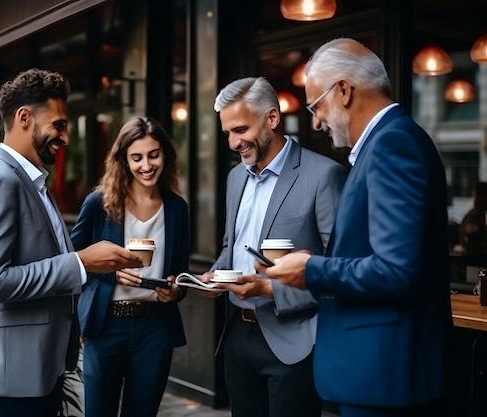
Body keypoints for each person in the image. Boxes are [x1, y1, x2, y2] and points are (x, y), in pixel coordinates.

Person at [263, 38, 453, 417]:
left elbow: (396, 270)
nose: (315, 122)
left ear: (344, 91)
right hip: (385, 374)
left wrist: (311, 270)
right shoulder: (391, 141)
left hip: (386, 378)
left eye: (316, 106)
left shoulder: (391, 145)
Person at [0, 68, 143, 417]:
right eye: (58, 124)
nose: (66, 136)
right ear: (24, 117)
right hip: (15, 381)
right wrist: (81, 262)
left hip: (41, 371)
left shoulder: (32, 181)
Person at [201, 76, 347, 417]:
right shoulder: (235, 177)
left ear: (272, 118)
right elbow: (231, 247)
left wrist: (271, 289)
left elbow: (339, 270)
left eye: (240, 130)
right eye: (227, 134)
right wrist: (214, 275)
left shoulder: (325, 175)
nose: (233, 142)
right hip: (236, 334)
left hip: (295, 343)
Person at [70, 116, 190, 417]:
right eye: (136, 157)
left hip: (155, 328)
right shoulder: (99, 203)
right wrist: (109, 273)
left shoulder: (177, 208)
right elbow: (71, 263)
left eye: (154, 155)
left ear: (165, 155)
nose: (146, 165)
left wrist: (175, 291)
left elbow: (180, 273)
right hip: (105, 325)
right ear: (123, 160)